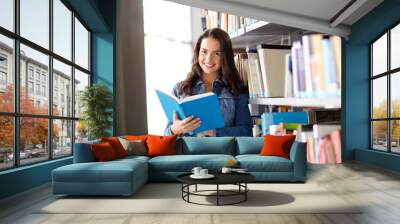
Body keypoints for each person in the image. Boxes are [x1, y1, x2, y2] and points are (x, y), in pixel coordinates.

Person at [164, 28, 252, 137]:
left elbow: (246, 131)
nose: (208, 59)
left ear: (225, 57)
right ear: (197, 53)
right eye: (204, 52)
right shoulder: (180, 89)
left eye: (217, 53)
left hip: (221, 153)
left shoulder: (236, 90)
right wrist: (174, 129)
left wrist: (215, 133)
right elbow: (165, 135)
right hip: (187, 153)